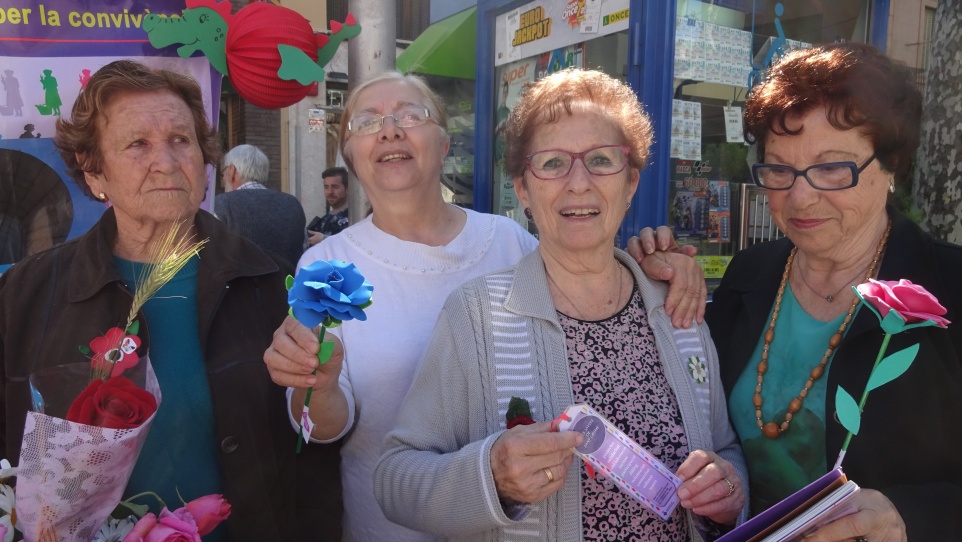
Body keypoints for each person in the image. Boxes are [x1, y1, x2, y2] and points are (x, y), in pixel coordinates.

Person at [263, 71, 707, 542]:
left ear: (444, 141)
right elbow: (322, 429)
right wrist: (318, 383)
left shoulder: (507, 239)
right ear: (349, 154)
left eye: (410, 115)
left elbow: (584, 276)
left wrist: (648, 263)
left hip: (523, 523)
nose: (390, 129)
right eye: (368, 122)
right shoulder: (323, 266)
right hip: (390, 526)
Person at [374, 68, 747, 542]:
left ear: (631, 183)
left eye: (601, 160)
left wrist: (727, 493)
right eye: (552, 163)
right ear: (524, 188)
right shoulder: (477, 315)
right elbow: (394, 480)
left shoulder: (678, 310)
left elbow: (727, 450)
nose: (578, 183)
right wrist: (491, 475)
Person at [0, 60, 339, 541]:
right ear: (94, 172)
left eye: (182, 139)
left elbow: (314, 457)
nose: (166, 159)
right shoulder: (25, 295)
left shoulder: (270, 283)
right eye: (138, 143)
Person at [637, 42, 962, 541]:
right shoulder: (749, 275)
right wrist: (649, 286)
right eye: (779, 169)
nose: (800, 196)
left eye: (833, 167)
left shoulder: (950, 286)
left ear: (891, 162)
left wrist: (909, 516)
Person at [215, 144, 308, 267]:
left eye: (223, 174)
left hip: (239, 285)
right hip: (288, 284)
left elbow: (210, 256)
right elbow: (304, 251)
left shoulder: (222, 205)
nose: (223, 181)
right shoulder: (293, 204)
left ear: (232, 171)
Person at [306, 166, 350, 246]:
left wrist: (324, 239)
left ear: (347, 189)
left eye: (335, 187)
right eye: (326, 187)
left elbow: (353, 246)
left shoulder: (354, 218)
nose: (330, 192)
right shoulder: (325, 219)